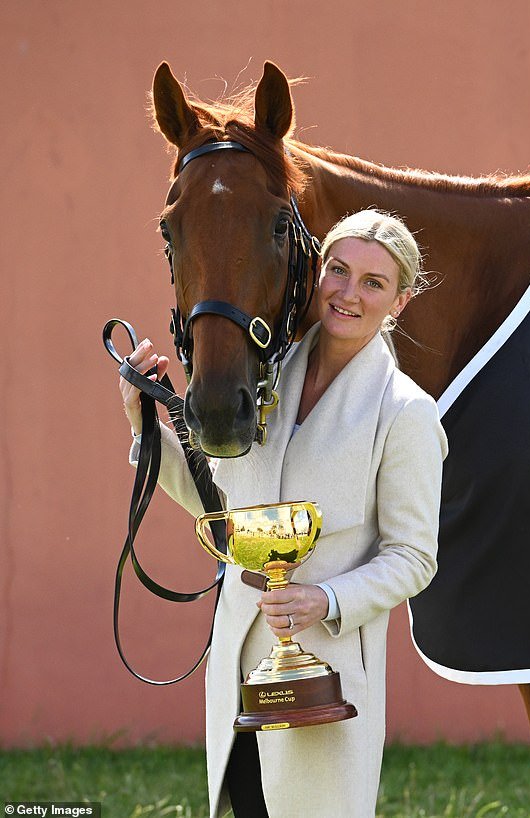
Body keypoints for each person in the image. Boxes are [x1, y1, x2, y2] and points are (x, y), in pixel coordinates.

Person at [119, 209, 448, 818]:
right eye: (338, 271)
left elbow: (414, 557)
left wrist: (326, 599)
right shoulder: (263, 375)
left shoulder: (406, 413)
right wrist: (147, 422)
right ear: (317, 272)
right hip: (237, 668)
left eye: (373, 283)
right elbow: (221, 510)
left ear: (399, 302)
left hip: (326, 676)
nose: (349, 293)